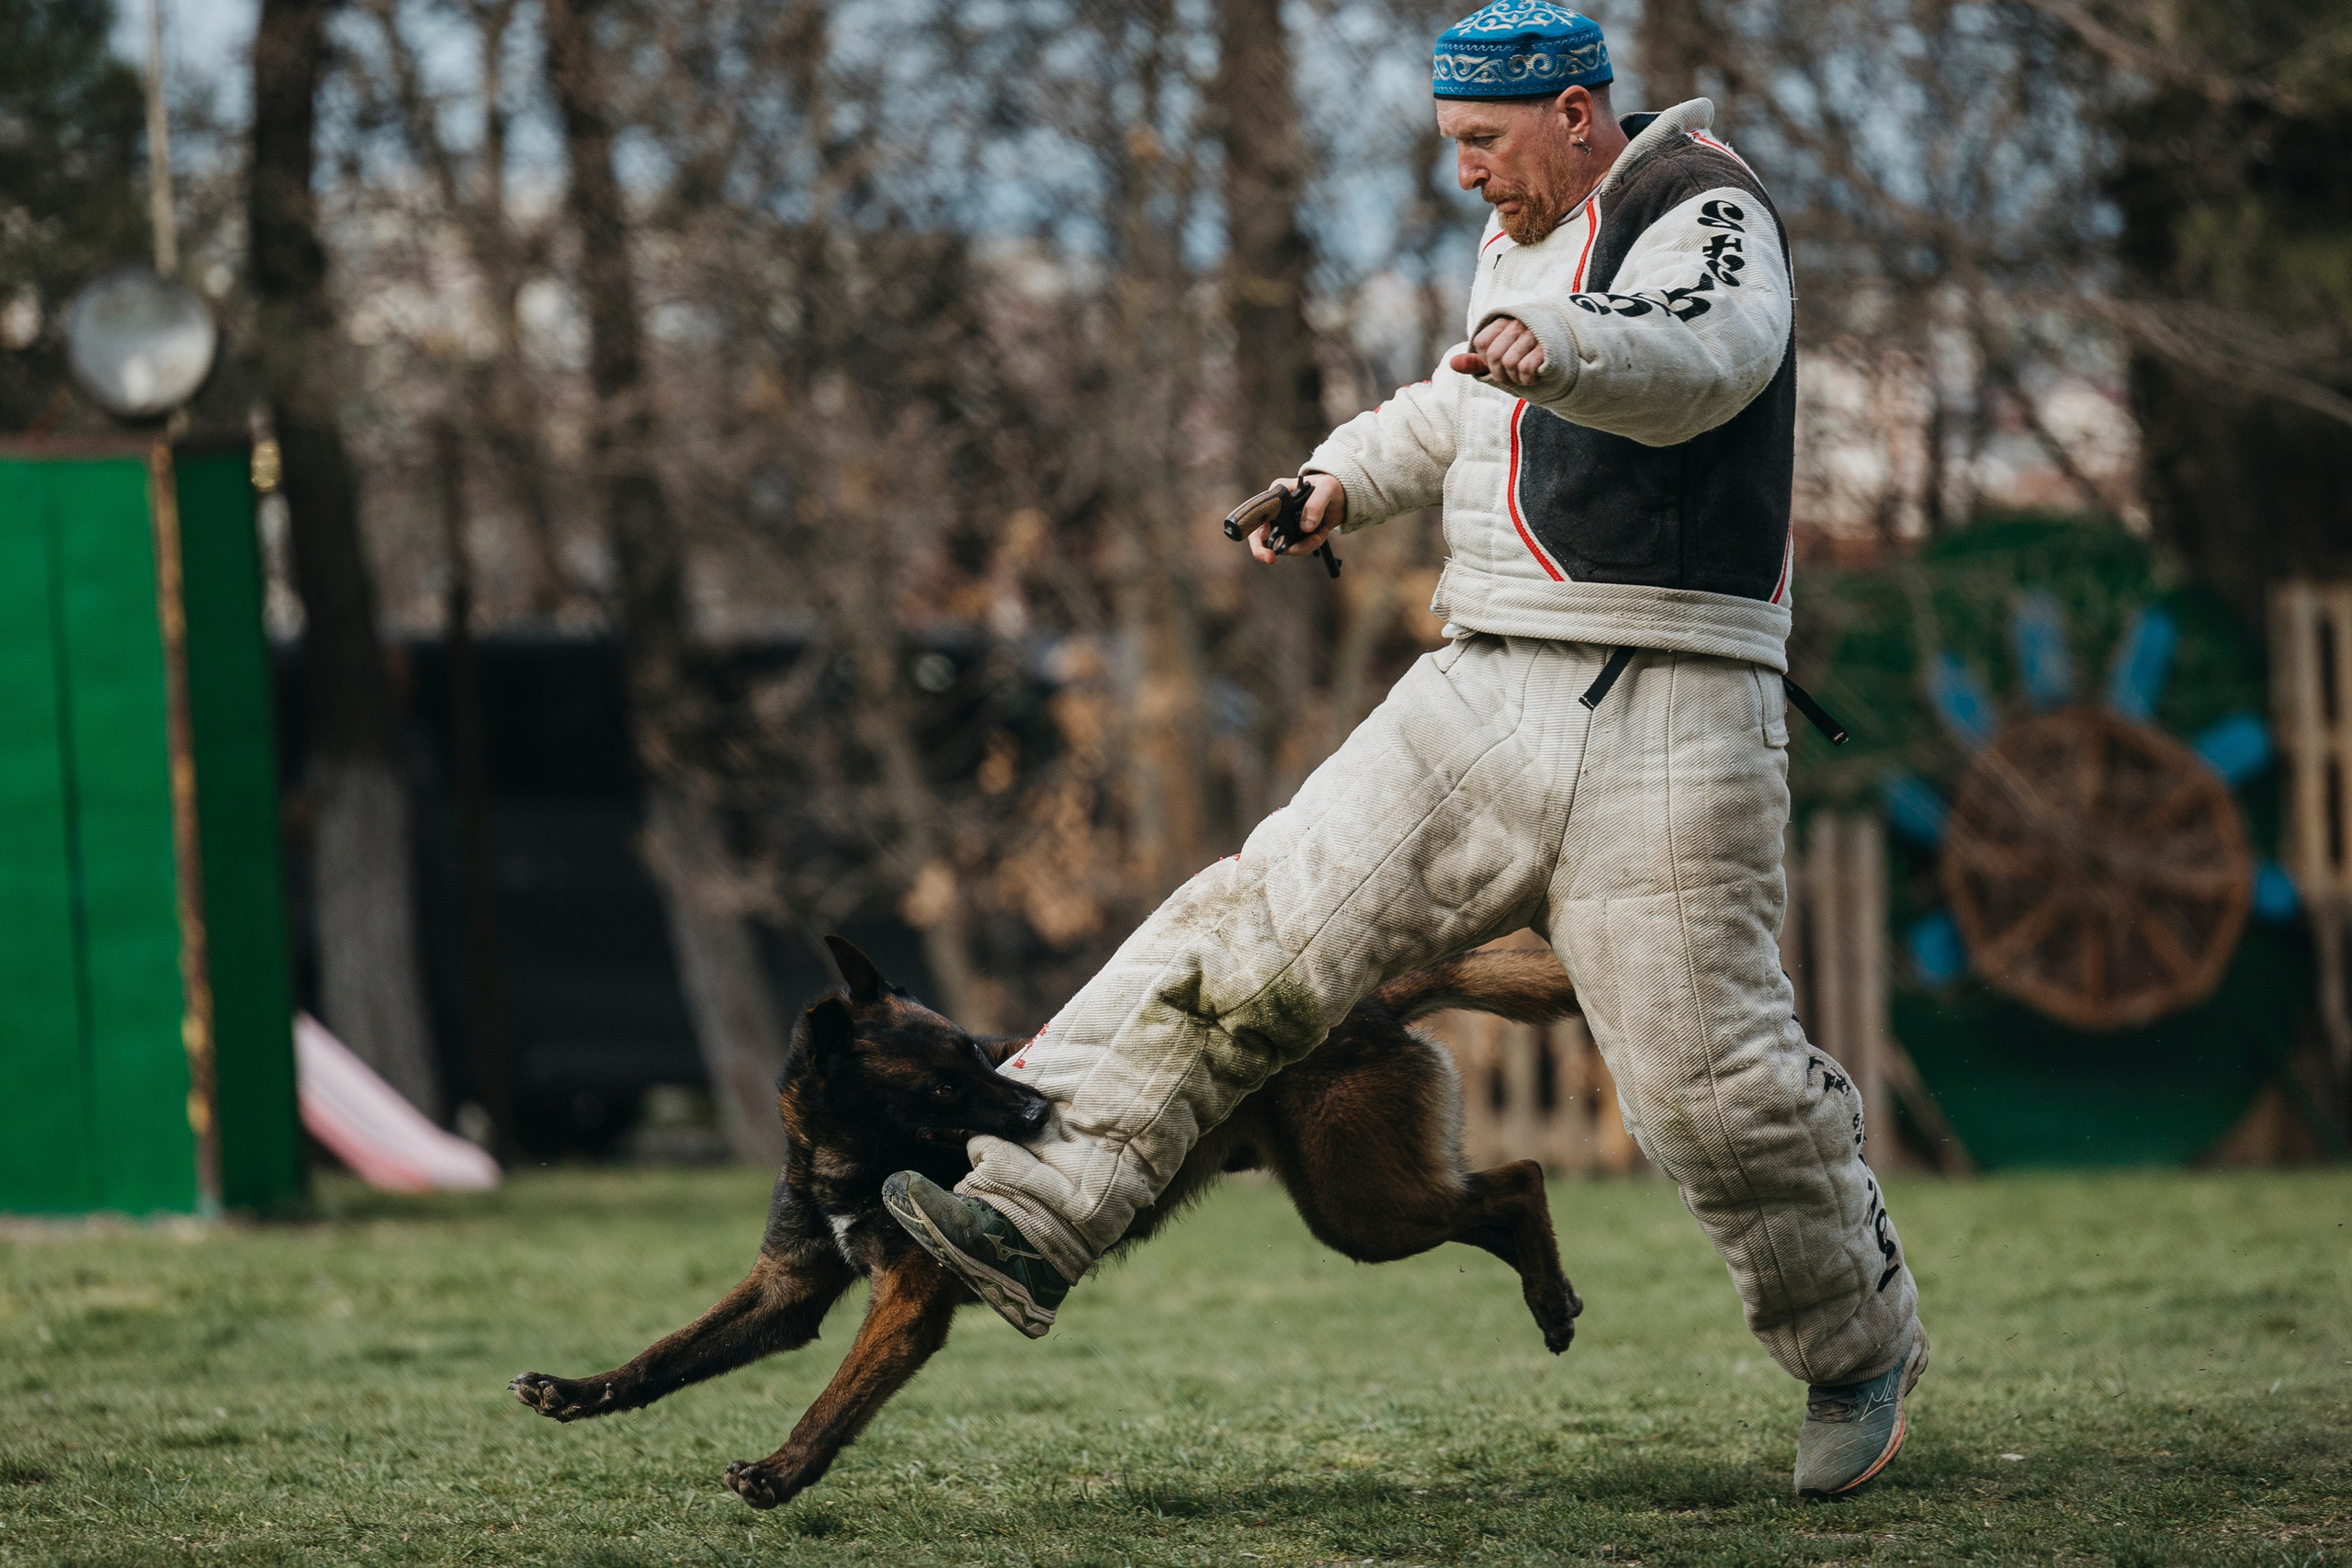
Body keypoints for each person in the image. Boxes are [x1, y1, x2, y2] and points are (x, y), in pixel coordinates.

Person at [884, 0, 1928, 1499]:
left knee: (1716, 1089)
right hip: (1487, 680)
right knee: (1250, 930)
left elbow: (1714, 358)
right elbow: (1462, 401)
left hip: (1679, 710)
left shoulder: (1701, 202)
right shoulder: (1520, 233)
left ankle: (1855, 1349)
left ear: (1578, 113)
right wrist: (1334, 482)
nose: (1464, 178)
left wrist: (1551, 340)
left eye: (1483, 144)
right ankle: (1031, 1204)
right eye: (1451, 147)